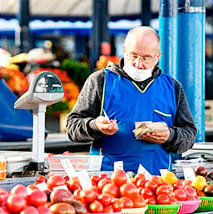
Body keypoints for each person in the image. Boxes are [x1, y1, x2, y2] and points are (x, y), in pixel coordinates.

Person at [66, 26, 197, 175]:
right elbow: (72, 127)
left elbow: (189, 134)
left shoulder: (172, 87)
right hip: (107, 181)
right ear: (124, 50)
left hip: (157, 183)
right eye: (133, 56)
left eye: (146, 58)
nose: (138, 64)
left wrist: (170, 135)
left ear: (157, 56)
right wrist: (95, 125)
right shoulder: (100, 81)